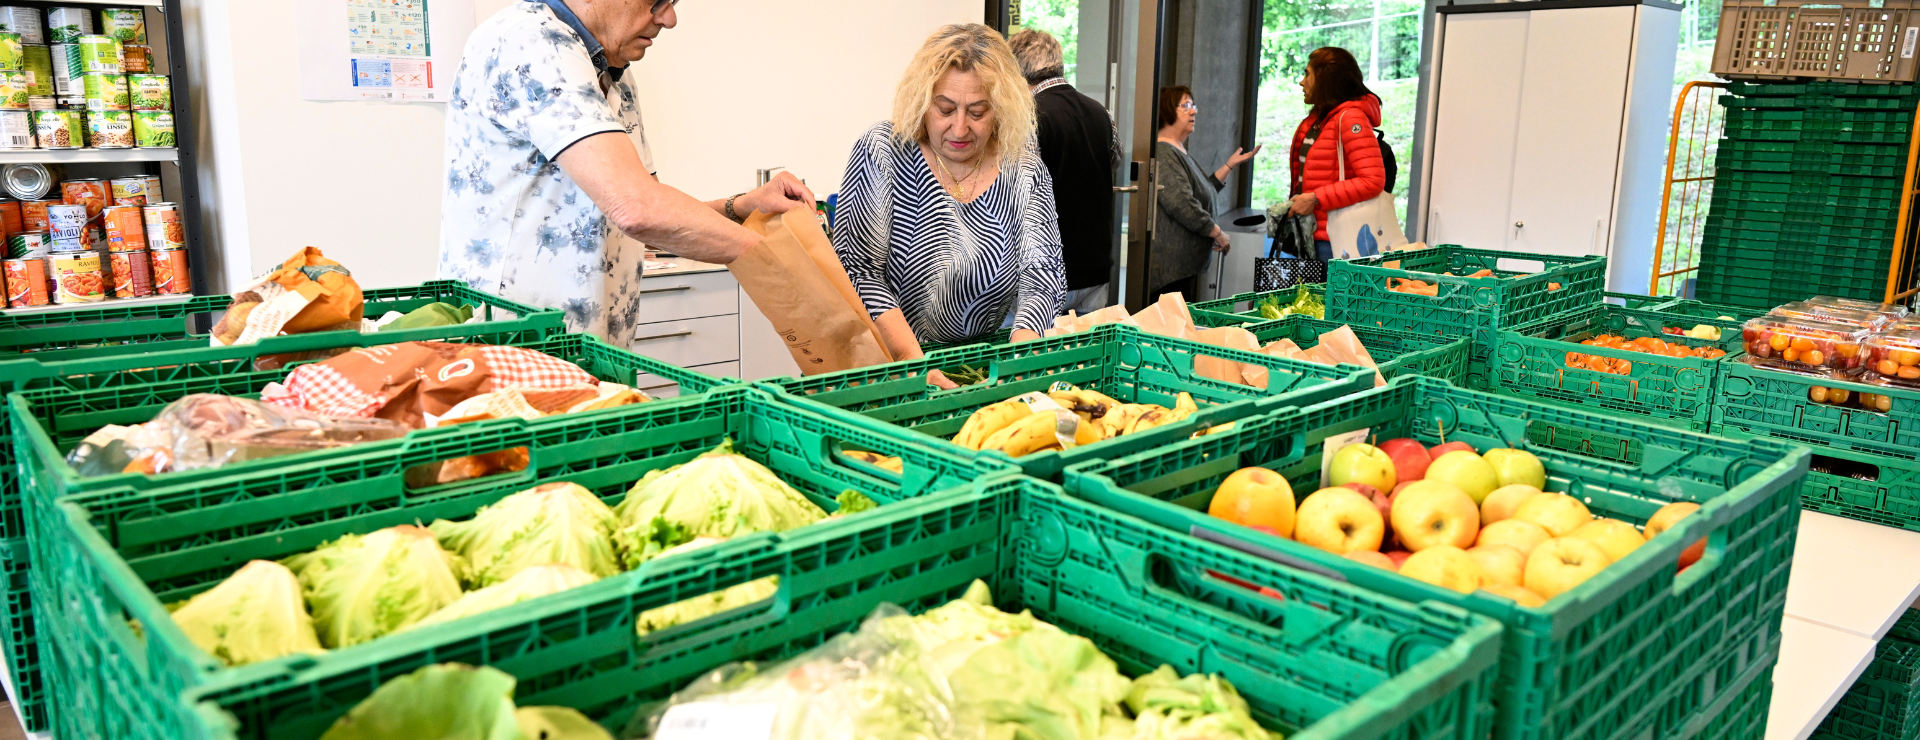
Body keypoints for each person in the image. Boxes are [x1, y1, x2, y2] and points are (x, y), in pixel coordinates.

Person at [437, 0, 816, 345]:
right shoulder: (529, 42)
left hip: (595, 350)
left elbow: (651, 212)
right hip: (515, 346)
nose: (669, 19)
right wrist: (782, 265)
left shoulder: (610, 71)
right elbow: (637, 210)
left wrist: (743, 206)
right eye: (657, 2)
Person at [834, 24, 1067, 366]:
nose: (959, 128)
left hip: (984, 359)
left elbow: (1043, 275)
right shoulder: (884, 151)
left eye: (977, 112)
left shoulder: (1022, 166)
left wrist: (1020, 358)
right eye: (944, 109)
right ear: (922, 100)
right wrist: (913, 363)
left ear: (1001, 108)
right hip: (891, 364)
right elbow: (858, 270)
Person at [1008, 28, 1118, 314]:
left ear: (1017, 72)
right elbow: (1114, 159)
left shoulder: (1028, 118)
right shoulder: (1101, 113)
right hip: (1096, 265)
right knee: (1090, 356)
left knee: (1036, 357)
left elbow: (1017, 187)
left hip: (1047, 271)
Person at [1151, 86, 1258, 302]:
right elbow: (1182, 203)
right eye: (1186, 106)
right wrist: (1216, 232)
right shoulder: (1164, 151)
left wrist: (1229, 165)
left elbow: (1202, 192)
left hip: (1184, 267)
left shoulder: (1178, 150)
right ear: (1167, 111)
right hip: (1171, 270)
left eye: (1193, 106)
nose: (1194, 112)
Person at [1285, 47, 1387, 260]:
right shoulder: (1319, 119)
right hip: (1313, 233)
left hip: (1335, 240)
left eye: (1307, 74)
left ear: (1324, 79)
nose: (1301, 82)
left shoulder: (1350, 119)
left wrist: (1315, 198)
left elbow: (1372, 180)